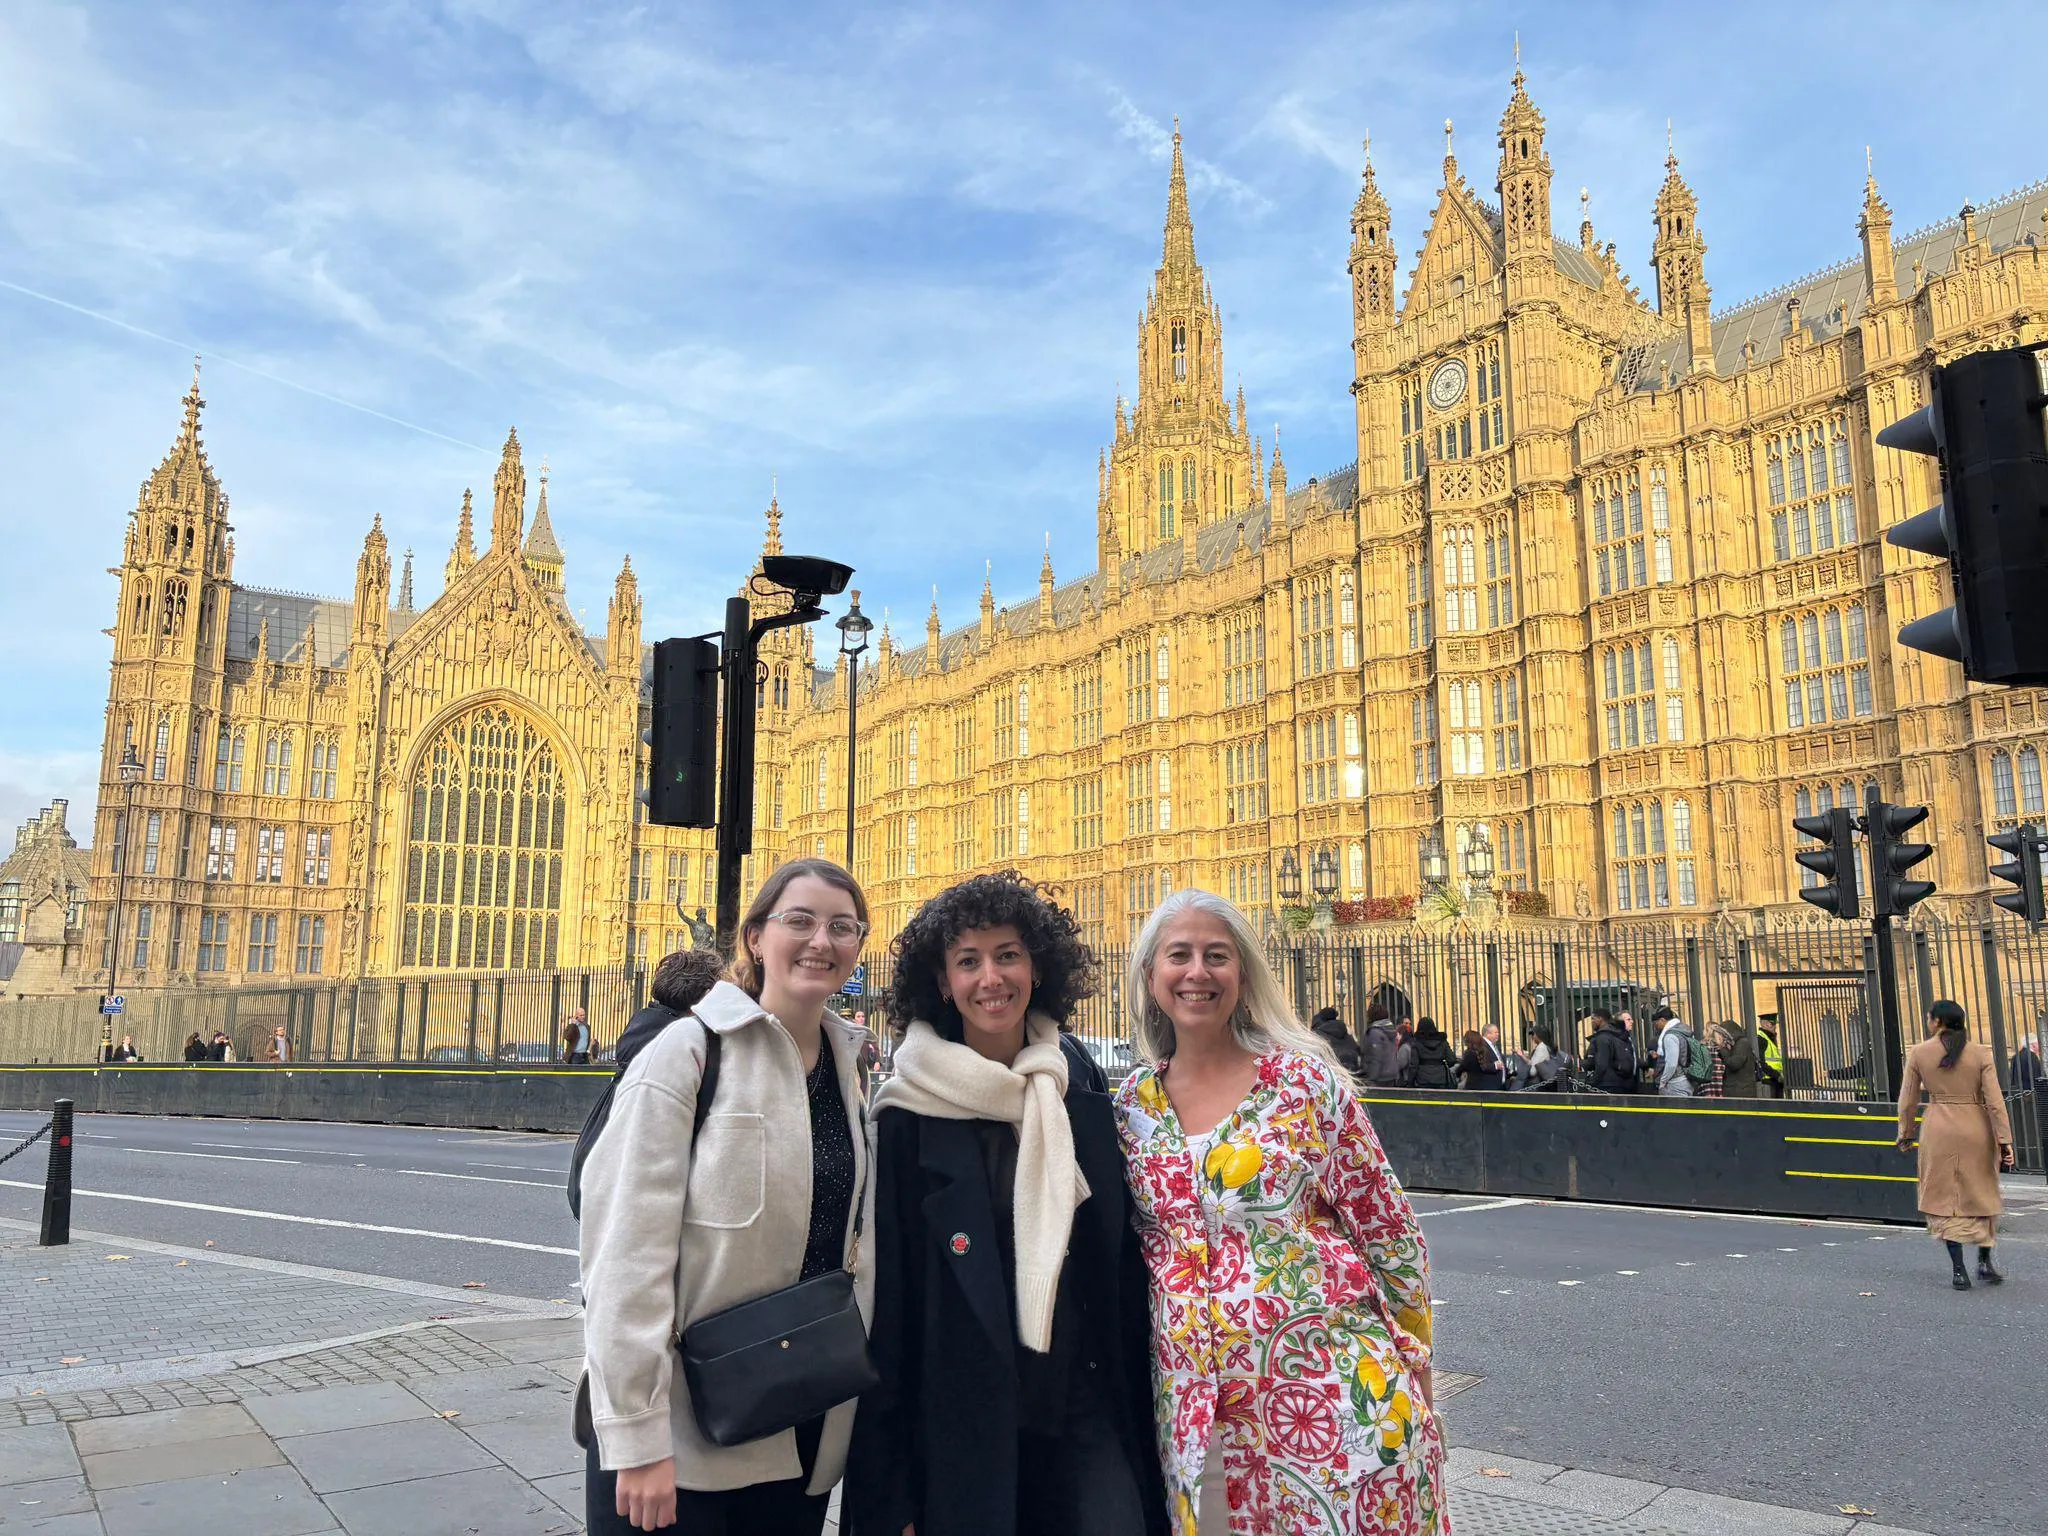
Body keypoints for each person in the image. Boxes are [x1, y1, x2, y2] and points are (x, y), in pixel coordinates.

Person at [1115, 890, 1448, 1535]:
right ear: (1151, 975)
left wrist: (1417, 1362)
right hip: (1193, 1414)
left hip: (1327, 1395)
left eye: (1218, 956)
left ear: (1243, 974)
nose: (1197, 972)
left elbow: (1391, 1235)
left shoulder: (1304, 1086)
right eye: (1178, 955)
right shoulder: (1130, 1108)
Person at [846, 871, 1167, 1536]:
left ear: (1036, 967)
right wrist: (893, 1489)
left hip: (1079, 1397)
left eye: (1007, 955)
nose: (991, 978)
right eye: (968, 961)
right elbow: (892, 1309)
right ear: (942, 982)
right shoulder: (907, 1114)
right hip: (964, 1415)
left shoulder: (1073, 1082)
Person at [579, 858, 873, 1536]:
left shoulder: (849, 1073)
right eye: (799, 921)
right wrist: (636, 1437)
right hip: (681, 1443)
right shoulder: (689, 1053)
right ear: (754, 937)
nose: (820, 941)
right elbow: (623, 1253)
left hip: (795, 1425)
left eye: (842, 926)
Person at [1898, 1000, 2016, 1291]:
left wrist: (1906, 1132)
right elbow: (1995, 1101)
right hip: (1977, 1127)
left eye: (1929, 1019)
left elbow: (1908, 1099)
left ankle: (1959, 1270)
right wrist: (2005, 1140)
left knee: (1946, 1198)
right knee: (1982, 1191)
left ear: (1937, 1022)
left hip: (1939, 1128)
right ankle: (1985, 1262)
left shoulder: (1919, 1053)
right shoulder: (1980, 1054)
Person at [1585, 1010, 1638, 1094]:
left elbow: (1601, 1064)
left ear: (1600, 1019)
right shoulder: (1618, 1035)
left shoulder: (1603, 1037)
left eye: (1593, 1019)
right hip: (1620, 1082)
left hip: (1605, 1084)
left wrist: (1592, 1082)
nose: (1591, 1022)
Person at [1310, 1005, 1366, 1081]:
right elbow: (1356, 1048)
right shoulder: (1345, 1030)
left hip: (1331, 1072)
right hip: (1351, 1070)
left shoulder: (1318, 1033)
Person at [1399, 1016, 1456, 1089]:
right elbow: (1452, 1059)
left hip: (1422, 1079)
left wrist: (1410, 1082)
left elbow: (1414, 1064)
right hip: (1440, 1078)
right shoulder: (1442, 1042)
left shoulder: (1417, 1042)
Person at [1651, 1007, 1694, 1097]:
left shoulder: (1670, 1036)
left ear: (1662, 1020)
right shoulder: (1684, 1031)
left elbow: (1671, 1064)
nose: (1655, 1026)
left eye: (1656, 1023)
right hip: (1687, 1079)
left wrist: (1663, 1082)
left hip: (1676, 1082)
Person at [1359, 1002, 1403, 1088]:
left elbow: (1375, 1057)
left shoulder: (1375, 1033)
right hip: (1391, 1075)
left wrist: (1371, 1079)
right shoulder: (1391, 1031)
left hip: (1379, 1078)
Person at [1715, 1022, 1759, 1098]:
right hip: (1737, 1089)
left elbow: (1734, 1064)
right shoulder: (1735, 1044)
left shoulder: (1742, 1043)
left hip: (1741, 1091)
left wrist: (1722, 1048)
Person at [1523, 1022, 1571, 1091]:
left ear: (1539, 1035)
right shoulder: (1549, 1046)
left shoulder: (1541, 1047)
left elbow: (1533, 1071)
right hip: (1548, 1085)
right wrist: (1524, 1057)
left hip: (1538, 1086)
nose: (1532, 1037)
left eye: (1533, 1034)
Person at [1756, 1018, 1786, 1098]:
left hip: (1775, 1080)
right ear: (1766, 1024)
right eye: (1773, 1024)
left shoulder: (1769, 1037)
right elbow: (1760, 1062)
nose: (1775, 1027)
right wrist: (1777, 1075)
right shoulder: (1761, 1038)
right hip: (1768, 1082)